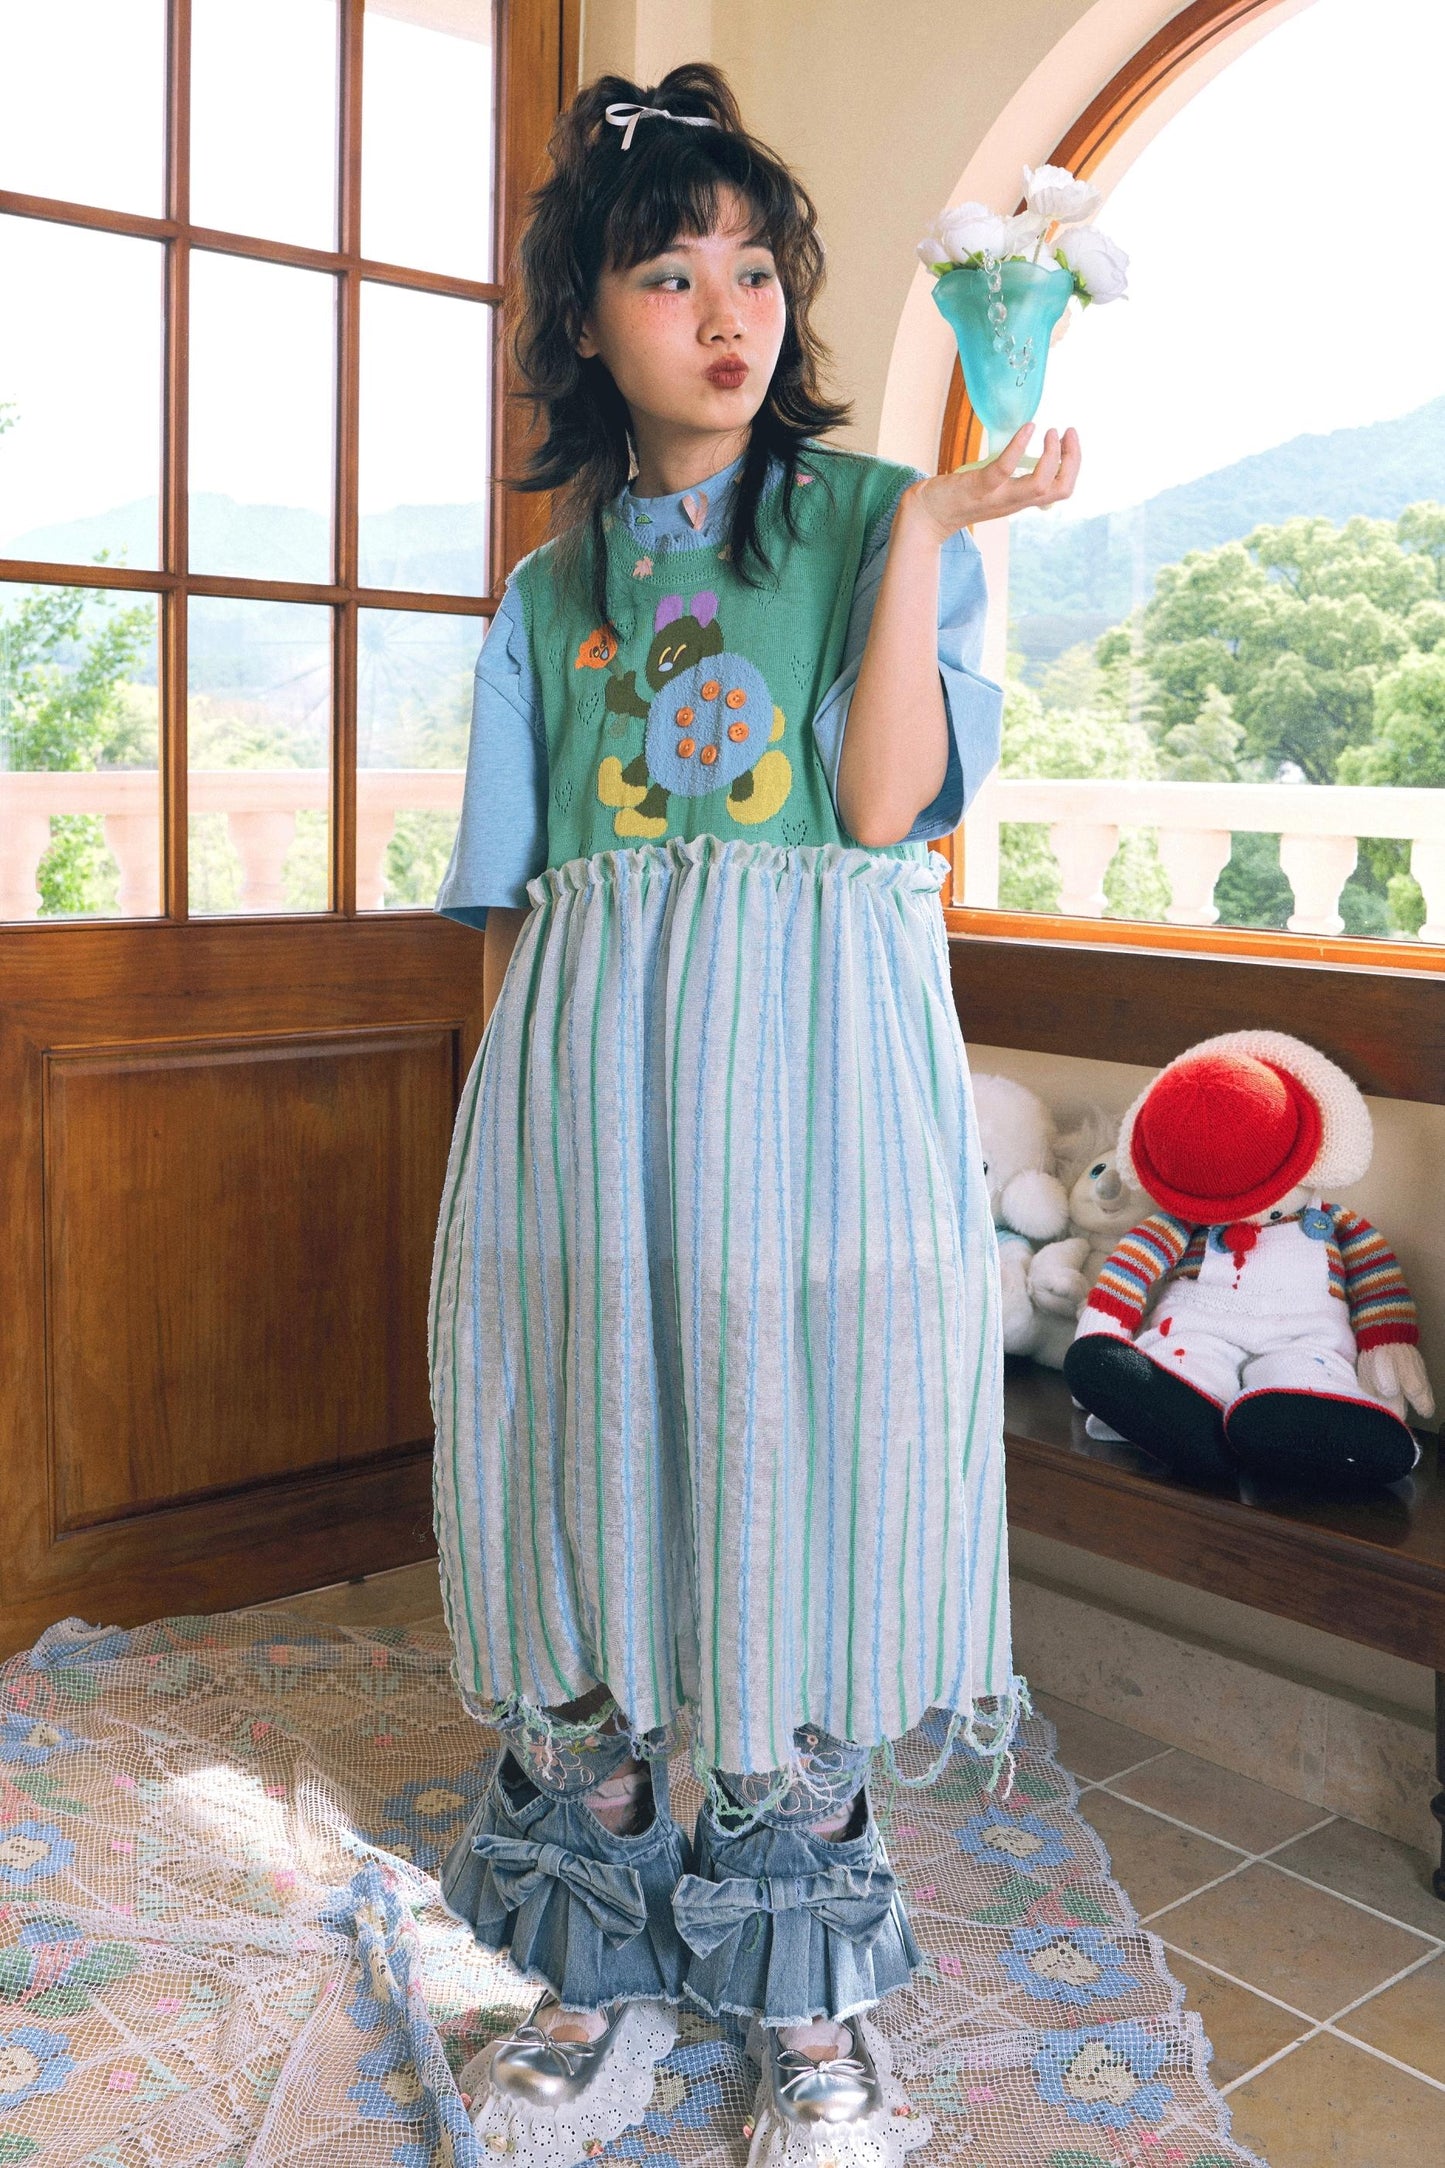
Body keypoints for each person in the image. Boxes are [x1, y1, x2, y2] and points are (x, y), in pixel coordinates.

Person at [429, 61, 1080, 2168]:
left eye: (752, 269)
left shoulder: (882, 518)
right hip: (588, 1111)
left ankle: (808, 2007)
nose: (727, 311)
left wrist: (934, 536)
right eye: (668, 273)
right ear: (584, 323)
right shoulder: (546, 599)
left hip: (813, 1106)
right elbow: (529, 912)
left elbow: (881, 811)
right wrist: (505, 1182)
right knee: (590, 1483)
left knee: (792, 1488)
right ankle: (596, 1961)